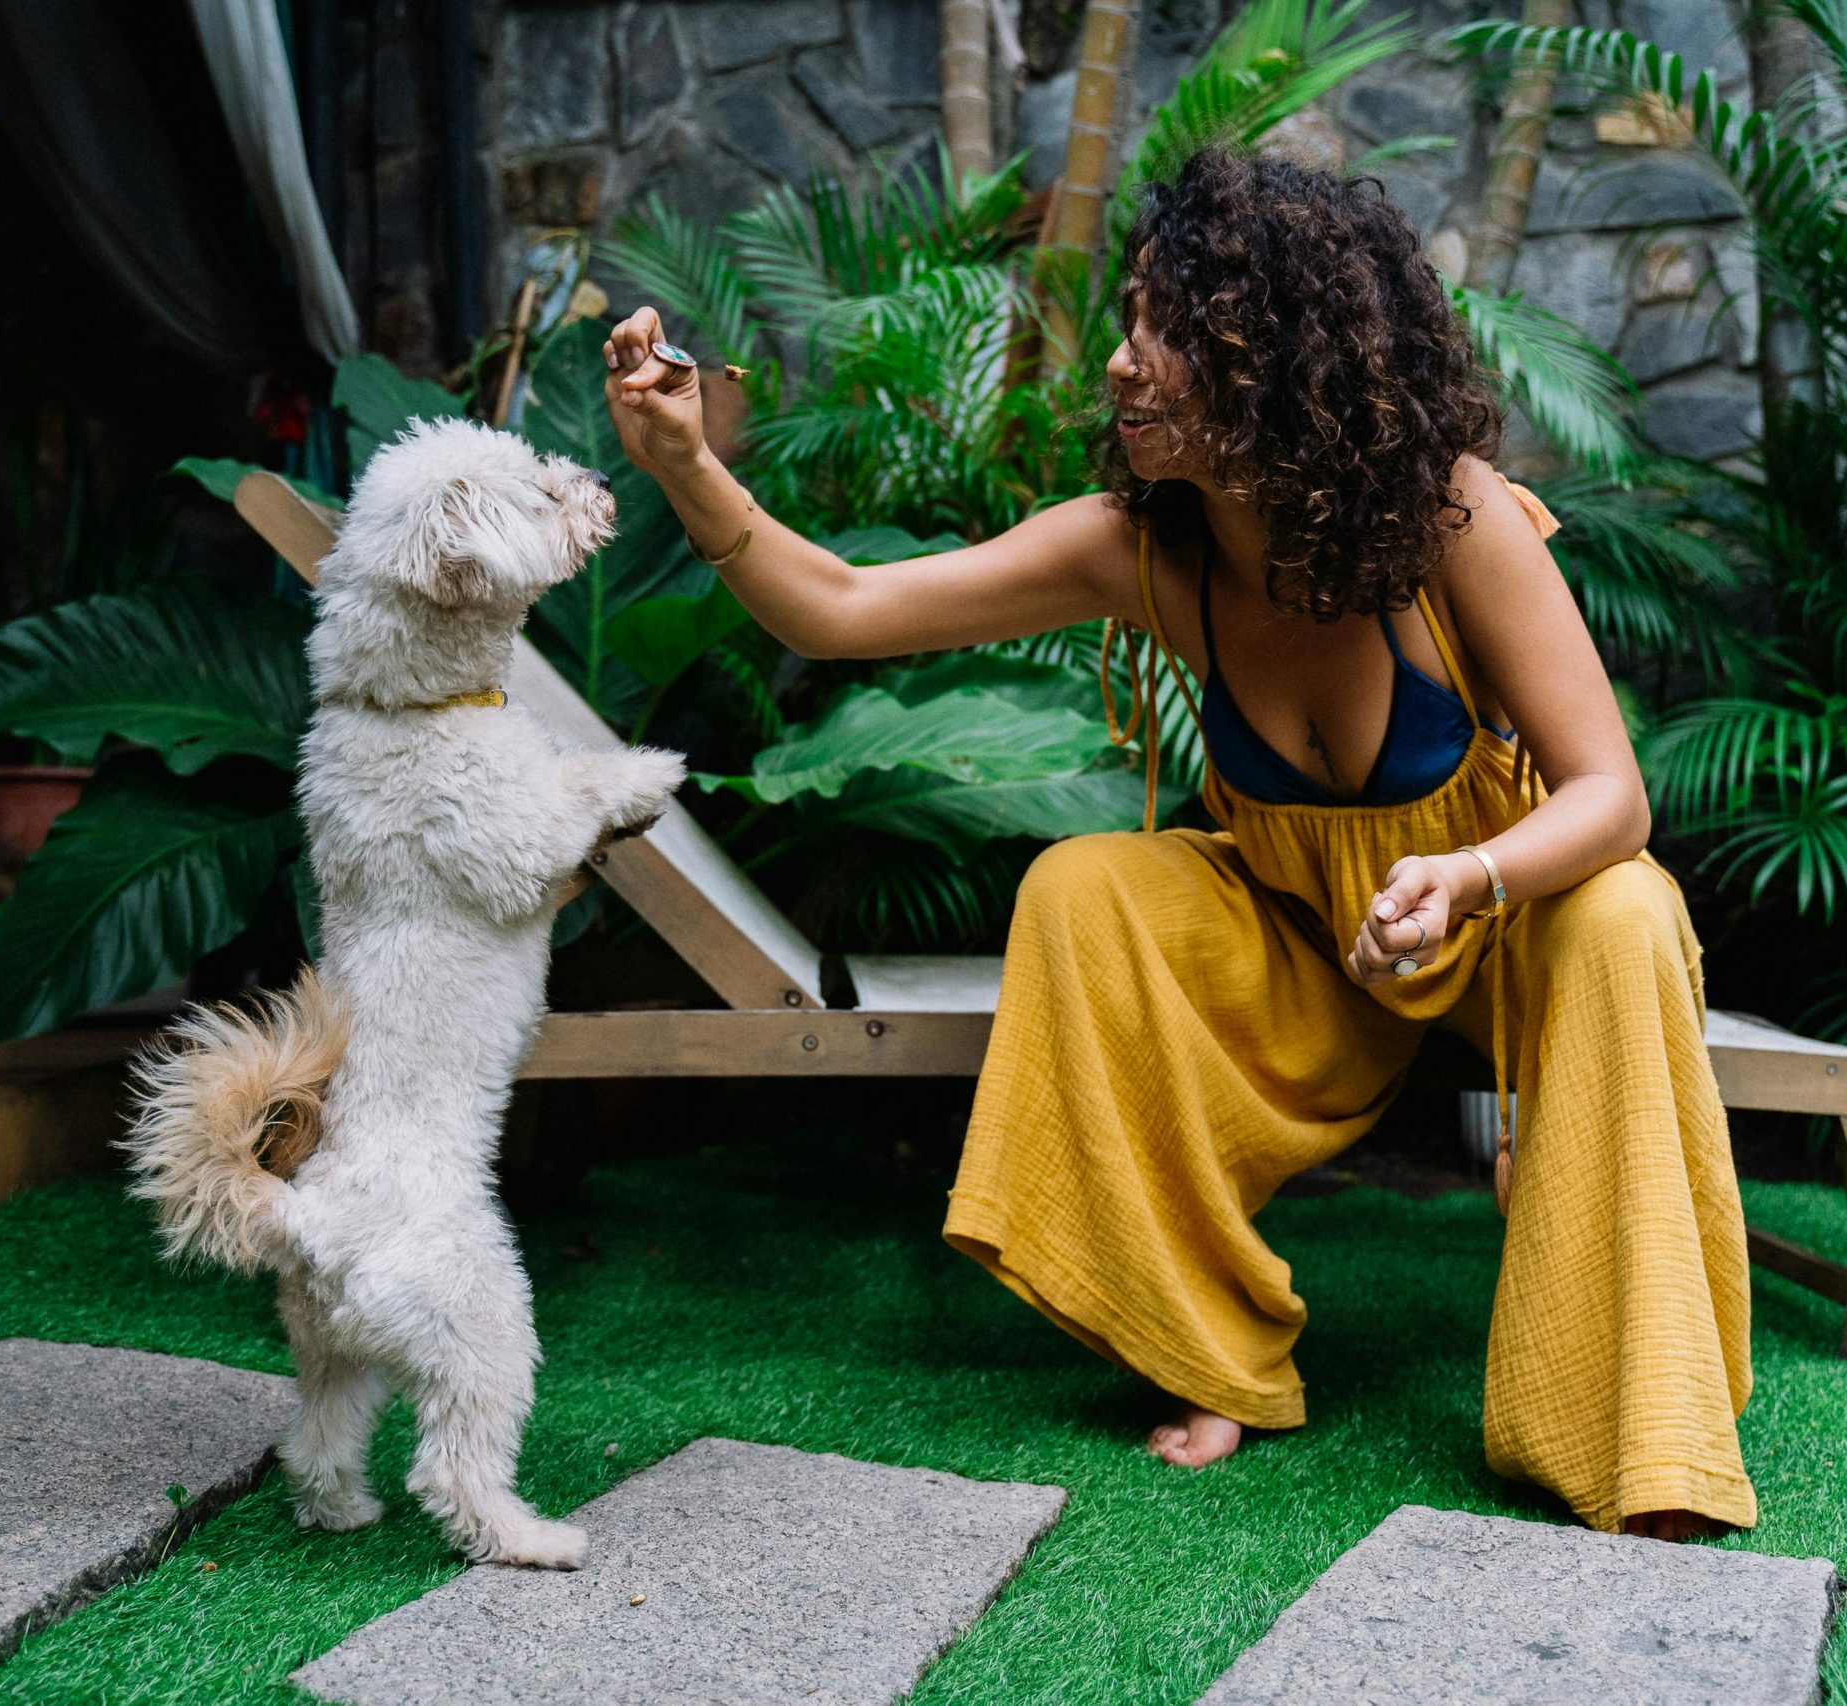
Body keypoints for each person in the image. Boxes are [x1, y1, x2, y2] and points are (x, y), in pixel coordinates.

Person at [601, 147, 1756, 1541]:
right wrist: (685, 463)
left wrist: (1469, 876)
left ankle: (1640, 1437)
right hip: (1313, 952)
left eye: (1171, 337)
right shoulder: (1143, 549)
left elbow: (1611, 796)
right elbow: (842, 606)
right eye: (1130, 327)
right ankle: (1208, 1347)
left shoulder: (1452, 517)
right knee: (1084, 885)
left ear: (1278, 360)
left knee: (1628, 908)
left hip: (1511, 922)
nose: (1124, 367)